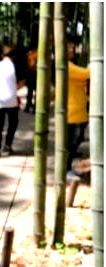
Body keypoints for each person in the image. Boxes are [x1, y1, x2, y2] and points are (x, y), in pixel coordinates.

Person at [0, 46, 24, 157]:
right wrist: (14, 88)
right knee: (12, 123)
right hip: (11, 100)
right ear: (13, 56)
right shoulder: (15, 66)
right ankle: (8, 145)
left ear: (2, 55)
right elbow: (21, 82)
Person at [66, 39, 90, 177]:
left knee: (77, 139)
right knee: (71, 143)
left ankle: (68, 167)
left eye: (73, 48)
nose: (72, 51)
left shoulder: (70, 65)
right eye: (69, 48)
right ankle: (66, 169)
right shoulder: (67, 66)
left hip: (77, 110)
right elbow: (87, 73)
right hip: (72, 111)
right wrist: (93, 65)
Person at [25, 48, 38, 113]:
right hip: (35, 73)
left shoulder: (29, 53)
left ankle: (28, 106)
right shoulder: (37, 53)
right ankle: (34, 108)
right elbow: (32, 64)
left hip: (30, 73)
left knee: (30, 91)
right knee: (36, 91)